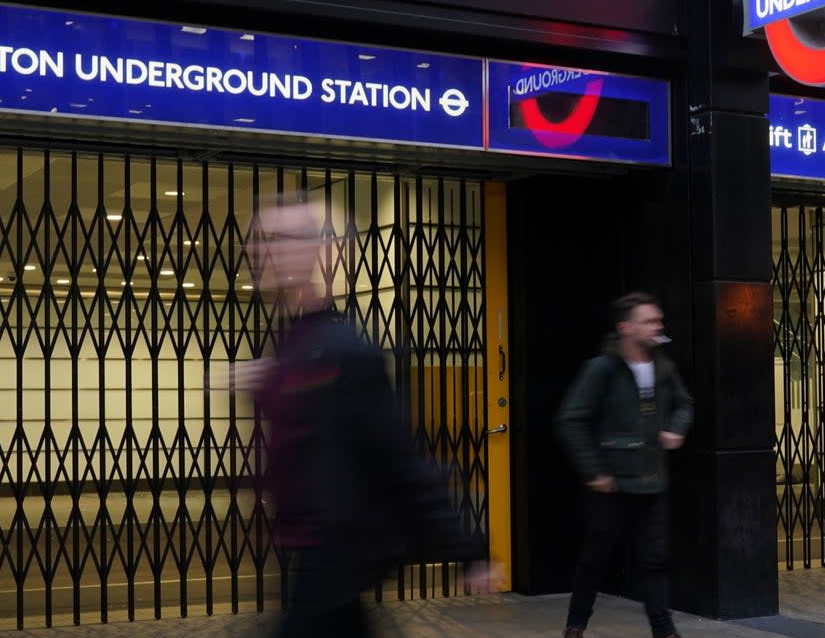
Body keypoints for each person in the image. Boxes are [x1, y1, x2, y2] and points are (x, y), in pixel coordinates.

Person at [238, 193, 499, 638]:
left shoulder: (343, 351)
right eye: (261, 239)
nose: (267, 249)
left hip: (334, 547)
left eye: (283, 238)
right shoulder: (291, 343)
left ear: (316, 249)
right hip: (308, 547)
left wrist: (467, 549)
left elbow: (398, 456)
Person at [556, 292, 694, 638]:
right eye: (649, 321)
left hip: (652, 482)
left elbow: (684, 402)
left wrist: (676, 428)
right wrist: (594, 471)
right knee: (594, 560)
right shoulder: (601, 369)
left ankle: (665, 631)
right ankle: (575, 627)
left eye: (658, 320)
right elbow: (571, 419)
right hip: (612, 484)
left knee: (655, 560)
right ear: (626, 327)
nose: (657, 327)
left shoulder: (664, 368)